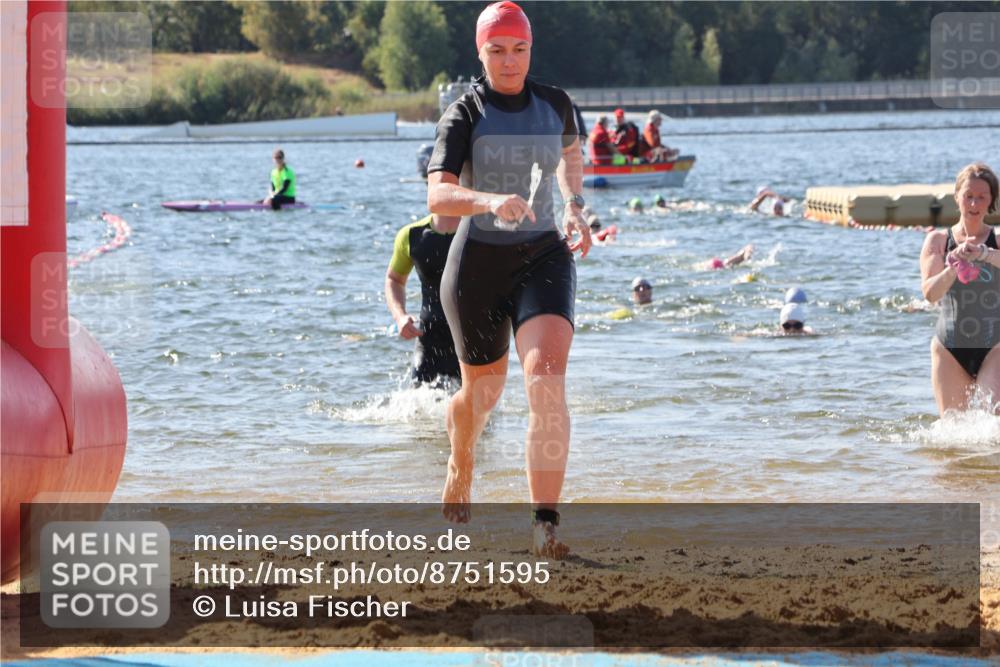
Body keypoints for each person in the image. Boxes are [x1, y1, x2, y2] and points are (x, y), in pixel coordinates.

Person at [425, 1, 591, 558]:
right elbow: (438, 196)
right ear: (481, 52)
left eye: (519, 49)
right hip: (477, 267)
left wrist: (574, 206)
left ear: (530, 49)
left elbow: (571, 154)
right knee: (484, 394)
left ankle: (545, 528)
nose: (510, 60)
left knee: (545, 380)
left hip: (545, 254)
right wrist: (489, 199)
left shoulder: (556, 103)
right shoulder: (464, 113)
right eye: (497, 50)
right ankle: (460, 457)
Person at [919, 161, 1000, 414]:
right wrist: (953, 265)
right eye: (968, 197)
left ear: (991, 201)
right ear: (957, 197)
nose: (974, 204)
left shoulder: (997, 240)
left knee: (993, 428)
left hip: (995, 346)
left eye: (981, 197)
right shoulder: (938, 241)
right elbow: (930, 294)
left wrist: (985, 254)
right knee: (952, 432)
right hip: (949, 347)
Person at [385, 214, 462, 387]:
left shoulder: (478, 231)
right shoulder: (412, 235)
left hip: (473, 344)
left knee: (477, 411)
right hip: (429, 341)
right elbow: (394, 280)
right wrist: (400, 316)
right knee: (419, 409)